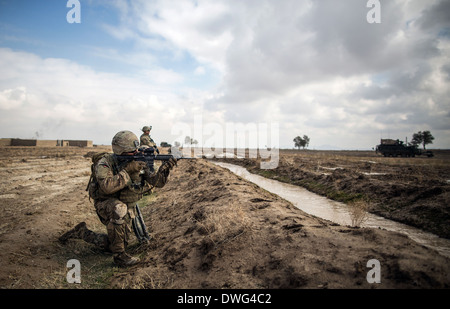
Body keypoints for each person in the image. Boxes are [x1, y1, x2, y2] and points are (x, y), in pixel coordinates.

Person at [59, 130, 176, 267]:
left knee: (113, 244)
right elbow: (107, 187)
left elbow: (158, 183)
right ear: (120, 151)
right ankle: (120, 257)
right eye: (131, 153)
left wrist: (164, 170)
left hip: (127, 206)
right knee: (119, 209)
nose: (135, 155)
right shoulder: (105, 163)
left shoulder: (140, 159)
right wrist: (128, 171)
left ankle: (82, 233)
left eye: (135, 151)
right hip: (106, 203)